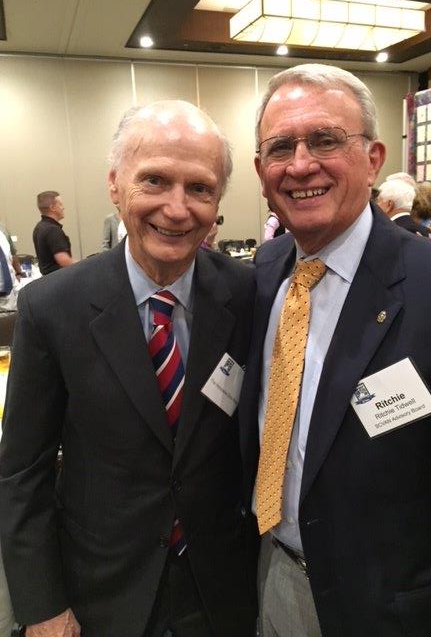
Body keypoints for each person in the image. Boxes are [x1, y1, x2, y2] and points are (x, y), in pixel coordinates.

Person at [239, 62, 431, 636]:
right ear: (260, 170)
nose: (301, 165)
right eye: (281, 148)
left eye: (325, 140)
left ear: (373, 159)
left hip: (387, 607)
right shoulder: (266, 270)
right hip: (270, 571)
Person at [0, 101, 257, 637]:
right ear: (115, 185)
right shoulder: (53, 308)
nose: (178, 208)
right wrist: (40, 604)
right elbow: (23, 471)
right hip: (100, 592)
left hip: (221, 590)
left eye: (201, 188)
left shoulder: (246, 293)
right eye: (155, 181)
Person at [32, 192, 75, 274]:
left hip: (49, 280)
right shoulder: (52, 230)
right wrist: (83, 265)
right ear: (52, 208)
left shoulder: (39, 227)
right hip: (59, 280)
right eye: (60, 204)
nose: (63, 208)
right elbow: (64, 261)